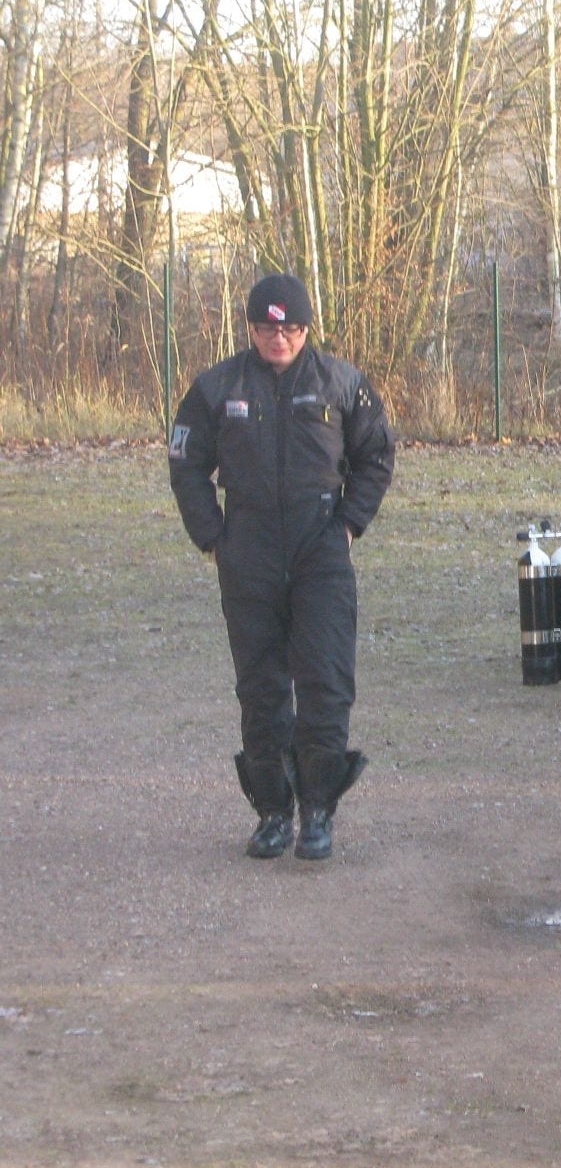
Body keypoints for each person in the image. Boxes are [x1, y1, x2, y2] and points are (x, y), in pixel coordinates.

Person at [168, 274, 395, 861]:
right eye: (268, 329)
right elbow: (186, 463)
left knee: (326, 682)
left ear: (306, 329)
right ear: (250, 328)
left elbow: (376, 456)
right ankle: (272, 812)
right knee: (261, 688)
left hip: (321, 545)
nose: (280, 339)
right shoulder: (217, 387)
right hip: (249, 549)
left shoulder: (341, 384)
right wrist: (213, 538)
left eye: (291, 328)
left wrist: (349, 525)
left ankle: (318, 809)